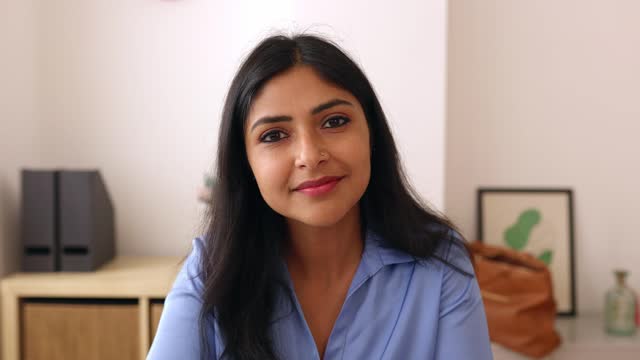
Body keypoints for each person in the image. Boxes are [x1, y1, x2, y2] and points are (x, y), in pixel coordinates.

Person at [147, 33, 493, 360]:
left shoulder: (440, 263)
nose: (310, 156)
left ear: (371, 133)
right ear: (246, 162)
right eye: (274, 135)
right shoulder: (211, 271)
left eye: (334, 121)